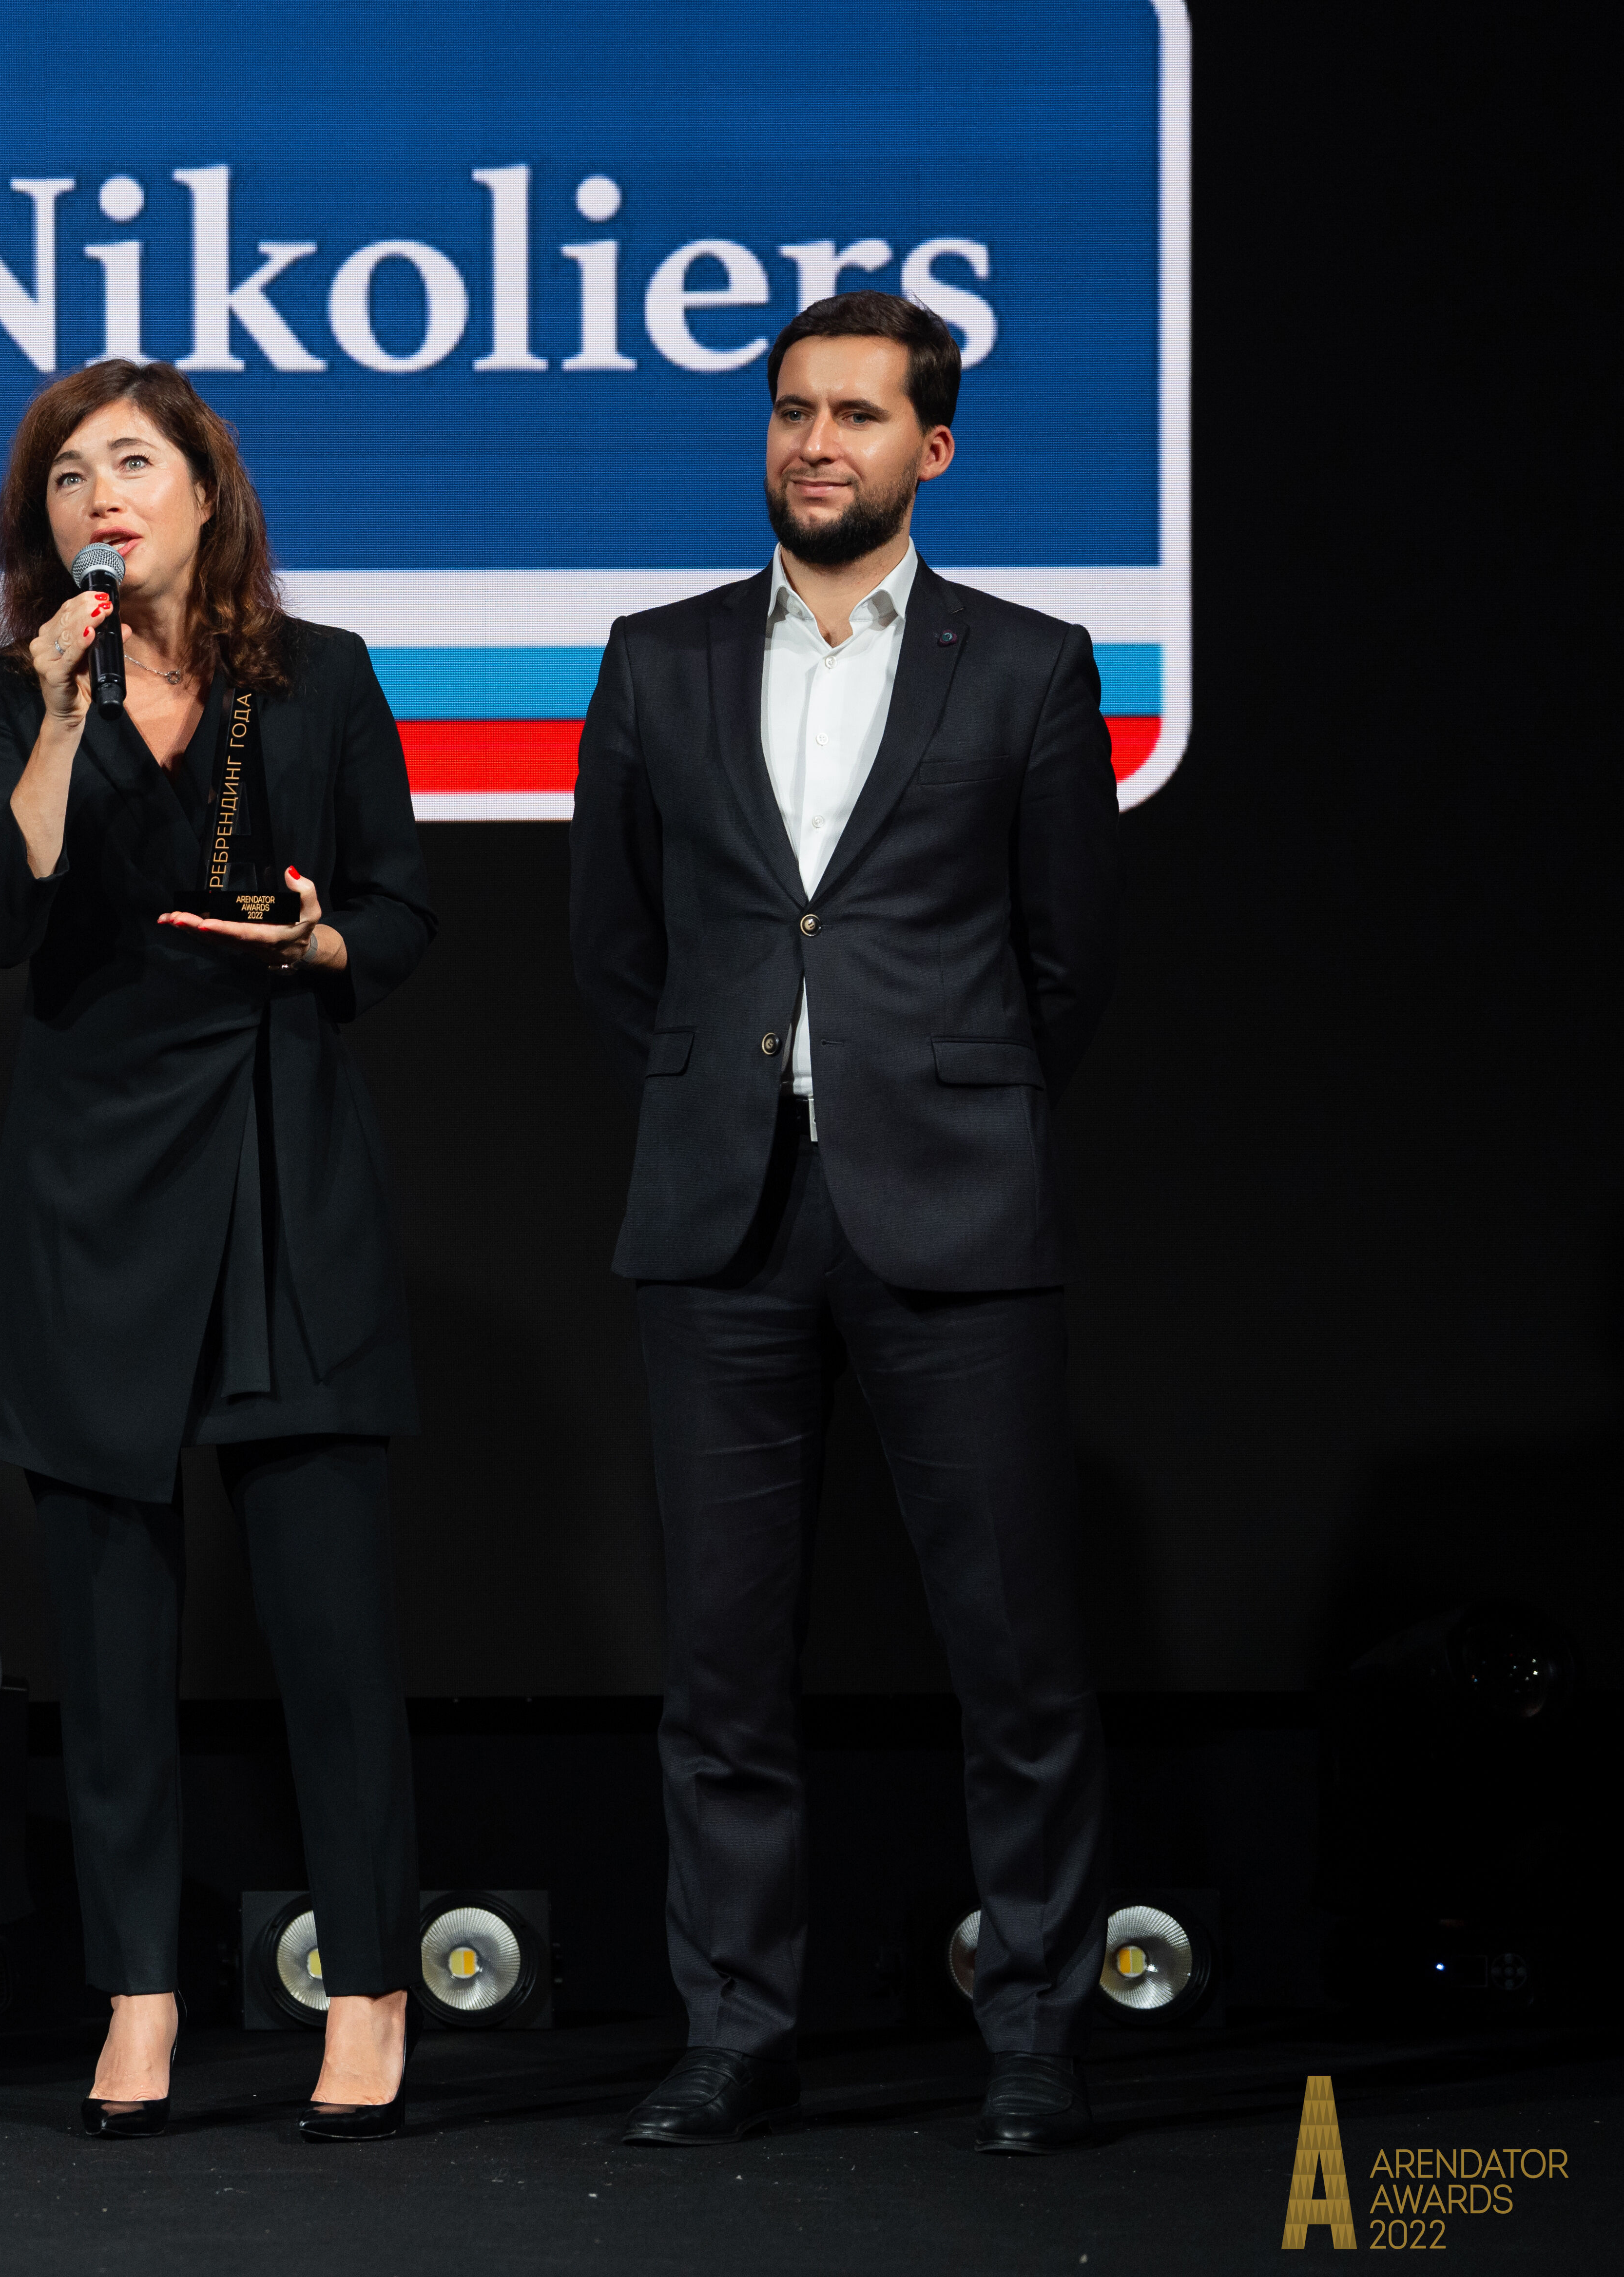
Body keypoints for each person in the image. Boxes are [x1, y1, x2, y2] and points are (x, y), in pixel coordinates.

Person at [568, 291, 1122, 2155]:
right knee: (723, 1669)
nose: (818, 444)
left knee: (1016, 1660)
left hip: (953, 1206)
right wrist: (727, 1093)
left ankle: (1034, 2034)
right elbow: (615, 949)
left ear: (931, 449)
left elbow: (1067, 959)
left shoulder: (1030, 665)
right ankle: (738, 2033)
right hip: (719, 1212)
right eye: (794, 410)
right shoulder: (655, 658)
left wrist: (939, 1103)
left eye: (860, 416)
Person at [0, 361, 438, 2143]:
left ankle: (369, 1989)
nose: (104, 498)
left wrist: (320, 947)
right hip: (94, 1181)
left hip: (278, 1158)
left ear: (208, 494)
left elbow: (402, 909)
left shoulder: (323, 679)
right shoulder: (13, 691)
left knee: (330, 1630)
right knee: (108, 1639)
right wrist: (57, 718)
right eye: (70, 476)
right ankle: (138, 1993)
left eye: (135, 464)